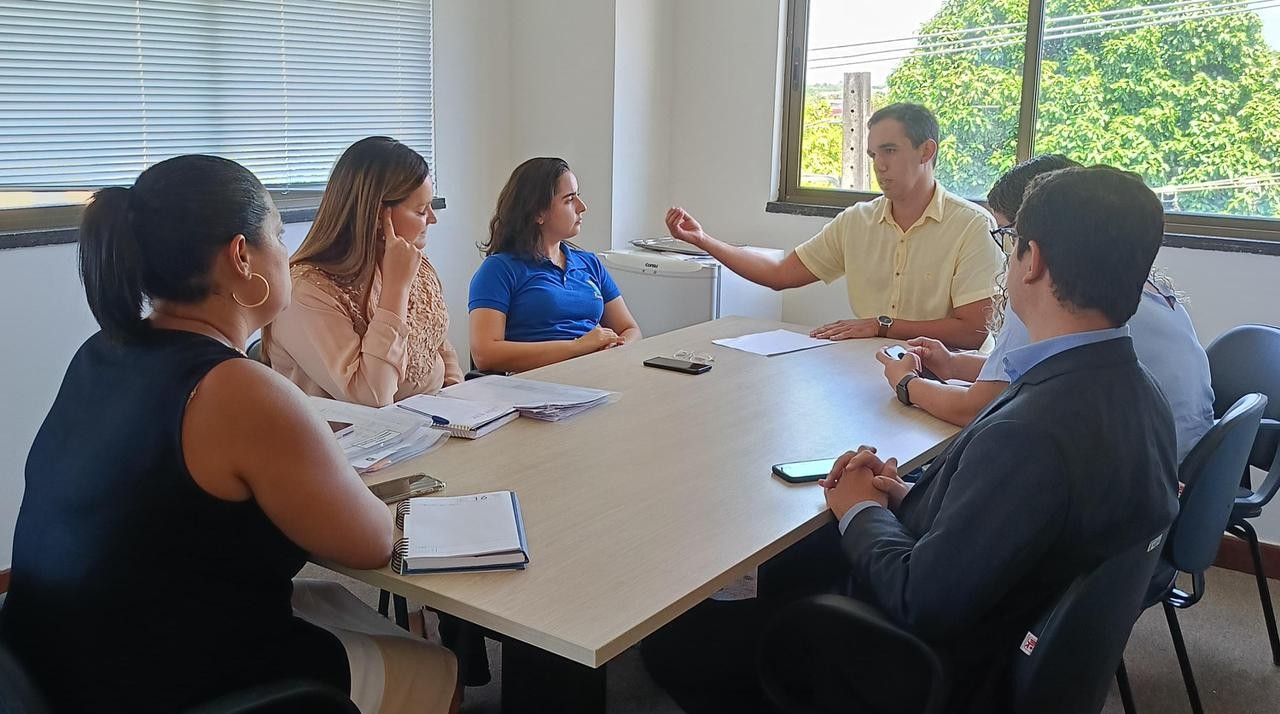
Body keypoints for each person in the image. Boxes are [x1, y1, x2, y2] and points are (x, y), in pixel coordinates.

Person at [0, 155, 458, 714]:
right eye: (277, 237)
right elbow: (371, 542)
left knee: (330, 599)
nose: (288, 254)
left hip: (48, 663)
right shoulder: (238, 389)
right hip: (152, 682)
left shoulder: (99, 353)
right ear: (242, 257)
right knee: (435, 665)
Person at [821, 166, 1179, 712]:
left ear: (1031, 261)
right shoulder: (1136, 389)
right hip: (1022, 633)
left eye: (1008, 243)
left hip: (950, 672)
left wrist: (859, 511)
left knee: (718, 632)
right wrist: (905, 497)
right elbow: (1025, 519)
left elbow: (920, 600)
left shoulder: (1030, 434)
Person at [878, 155, 1214, 462]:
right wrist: (952, 365)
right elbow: (1030, 370)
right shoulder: (1120, 282)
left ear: (1034, 249)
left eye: (1010, 237)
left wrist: (907, 383)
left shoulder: (1053, 298)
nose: (1008, 254)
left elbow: (977, 408)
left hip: (1144, 468)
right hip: (1175, 465)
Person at [664, 103, 1003, 349]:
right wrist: (704, 240)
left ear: (926, 151)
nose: (880, 166)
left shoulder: (971, 226)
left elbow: (973, 332)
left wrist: (880, 326)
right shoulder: (858, 221)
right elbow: (779, 274)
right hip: (867, 368)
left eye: (889, 151)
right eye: (873, 156)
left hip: (948, 378)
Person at [268, 136, 462, 407]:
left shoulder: (415, 265)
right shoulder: (307, 291)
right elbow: (372, 396)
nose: (433, 218)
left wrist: (460, 403)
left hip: (432, 429)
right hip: (353, 444)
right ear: (377, 216)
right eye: (420, 211)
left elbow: (439, 349)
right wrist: (396, 290)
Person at [469, 157, 641, 372]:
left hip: (597, 373)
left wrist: (616, 347)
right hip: (537, 386)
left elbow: (630, 329)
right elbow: (485, 354)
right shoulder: (499, 269)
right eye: (569, 200)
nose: (582, 207)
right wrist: (577, 348)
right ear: (538, 213)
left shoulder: (589, 263)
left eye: (578, 196)